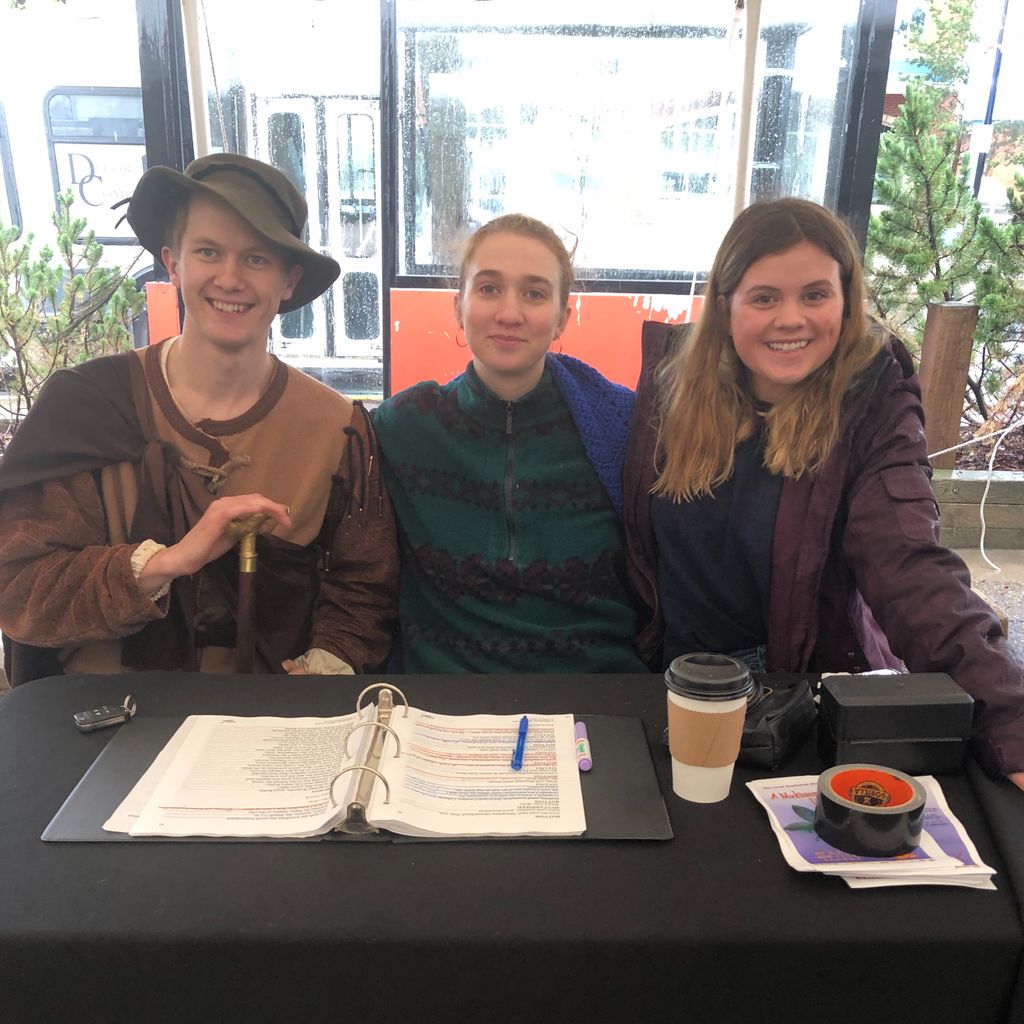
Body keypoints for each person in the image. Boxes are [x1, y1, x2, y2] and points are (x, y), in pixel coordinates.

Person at [624, 197, 1024, 788]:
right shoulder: (672, 381)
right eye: (765, 297)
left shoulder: (873, 398)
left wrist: (1011, 726)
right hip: (666, 678)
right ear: (727, 305)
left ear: (845, 297)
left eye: (815, 294)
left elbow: (911, 566)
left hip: (790, 692)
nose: (791, 319)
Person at [0, 153, 399, 682]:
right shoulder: (87, 405)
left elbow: (364, 585)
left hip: (266, 725)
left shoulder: (336, 428)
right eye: (208, 252)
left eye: (256, 259)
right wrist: (166, 563)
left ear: (288, 281)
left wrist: (324, 667)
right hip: (101, 720)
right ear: (174, 263)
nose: (230, 278)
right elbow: (20, 587)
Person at [373, 213, 645, 673]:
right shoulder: (401, 428)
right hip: (443, 705)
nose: (509, 313)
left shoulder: (626, 429)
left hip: (599, 697)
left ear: (563, 316)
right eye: (489, 288)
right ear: (457, 304)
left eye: (535, 293)